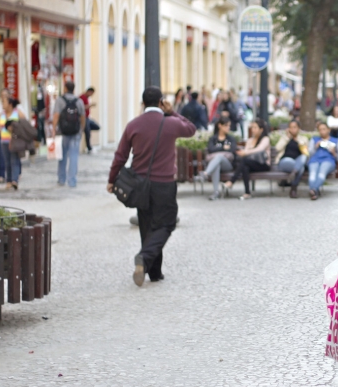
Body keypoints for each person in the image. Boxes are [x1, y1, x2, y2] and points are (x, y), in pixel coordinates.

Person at [107, 86, 196, 286]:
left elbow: (120, 155)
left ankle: (154, 272)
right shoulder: (171, 123)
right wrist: (172, 111)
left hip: (140, 184)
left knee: (147, 226)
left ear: (142, 103)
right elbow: (191, 129)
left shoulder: (133, 125)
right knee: (166, 224)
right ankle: (145, 259)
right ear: (161, 102)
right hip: (164, 183)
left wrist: (112, 180)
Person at [225, 119, 271, 200]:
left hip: (263, 164)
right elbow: (245, 153)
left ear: (261, 129)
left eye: (255, 127)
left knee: (245, 162)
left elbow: (260, 149)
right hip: (251, 164)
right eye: (252, 127)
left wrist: (246, 152)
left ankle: (232, 181)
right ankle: (247, 192)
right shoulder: (250, 140)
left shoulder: (265, 139)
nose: (253, 129)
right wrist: (244, 153)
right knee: (245, 167)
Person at [52, 82, 87, 188]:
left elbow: (56, 115)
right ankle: (72, 181)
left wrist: (54, 129)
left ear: (65, 88)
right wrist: (81, 130)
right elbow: (82, 117)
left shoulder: (60, 100)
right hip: (75, 132)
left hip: (62, 132)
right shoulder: (79, 101)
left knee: (62, 156)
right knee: (73, 156)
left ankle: (61, 179)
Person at [195, 117, 238, 200]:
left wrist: (218, 149)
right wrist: (223, 147)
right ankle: (216, 193)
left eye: (229, 126)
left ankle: (205, 174)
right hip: (216, 164)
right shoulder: (213, 139)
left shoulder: (231, 138)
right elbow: (211, 149)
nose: (228, 128)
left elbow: (232, 149)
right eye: (226, 126)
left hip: (228, 165)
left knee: (219, 156)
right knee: (216, 165)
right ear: (220, 126)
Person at [0, 98, 29, 190]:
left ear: (10, 104)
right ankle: (9, 181)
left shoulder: (18, 112)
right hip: (4, 141)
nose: (2, 104)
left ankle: (14, 180)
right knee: (7, 161)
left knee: (14, 160)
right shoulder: (1, 114)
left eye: (4, 102)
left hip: (15, 141)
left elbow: (24, 123)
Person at [307, 121, 338, 200]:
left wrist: (334, 153)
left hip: (328, 161)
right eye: (320, 130)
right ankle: (315, 191)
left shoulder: (336, 141)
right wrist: (315, 147)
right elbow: (309, 154)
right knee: (312, 175)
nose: (322, 131)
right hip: (315, 160)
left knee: (322, 173)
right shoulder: (314, 140)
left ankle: (313, 190)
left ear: (328, 130)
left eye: (324, 129)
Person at [275, 120, 309, 199]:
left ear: (299, 128)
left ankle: (294, 173)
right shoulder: (284, 138)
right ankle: (293, 188)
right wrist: (287, 138)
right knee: (300, 167)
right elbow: (277, 148)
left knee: (303, 159)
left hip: (298, 160)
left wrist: (299, 142)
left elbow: (306, 153)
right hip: (285, 161)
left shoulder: (303, 139)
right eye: (290, 127)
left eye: (294, 127)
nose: (292, 129)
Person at [79, 87, 96, 153]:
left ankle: (86, 129)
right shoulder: (82, 97)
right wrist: (90, 105)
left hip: (87, 118)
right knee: (87, 133)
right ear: (89, 91)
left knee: (96, 127)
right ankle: (89, 148)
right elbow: (82, 108)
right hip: (84, 117)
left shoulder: (86, 98)